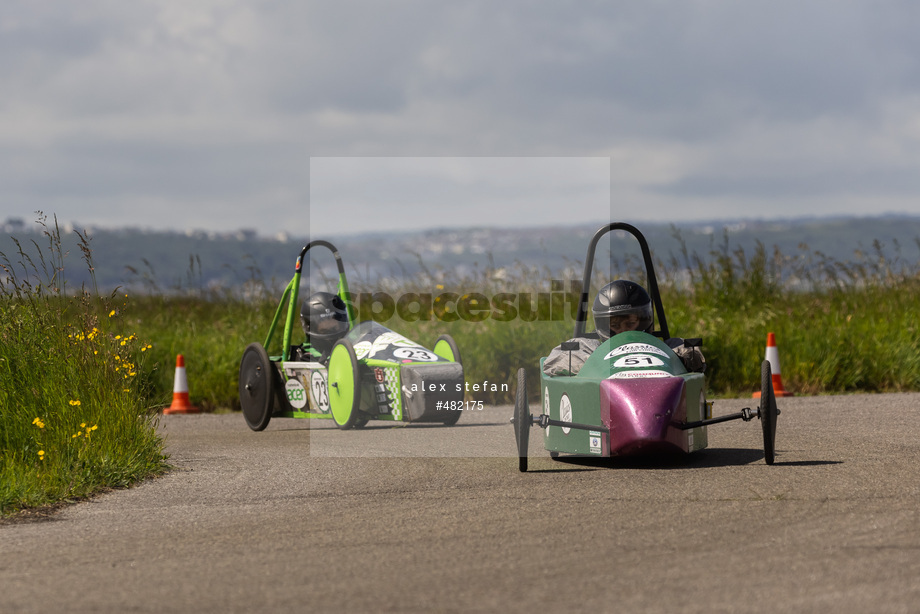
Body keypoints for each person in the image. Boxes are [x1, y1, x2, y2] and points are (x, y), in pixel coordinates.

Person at [542, 280, 705, 376]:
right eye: (615, 326)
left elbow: (694, 355)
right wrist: (594, 365)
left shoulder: (668, 347)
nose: (624, 331)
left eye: (630, 323)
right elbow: (552, 361)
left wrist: (680, 359)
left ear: (644, 320)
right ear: (604, 326)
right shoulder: (590, 349)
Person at [292, 291, 350, 362]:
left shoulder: (354, 343)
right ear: (310, 326)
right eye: (326, 331)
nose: (329, 322)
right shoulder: (307, 356)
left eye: (335, 328)